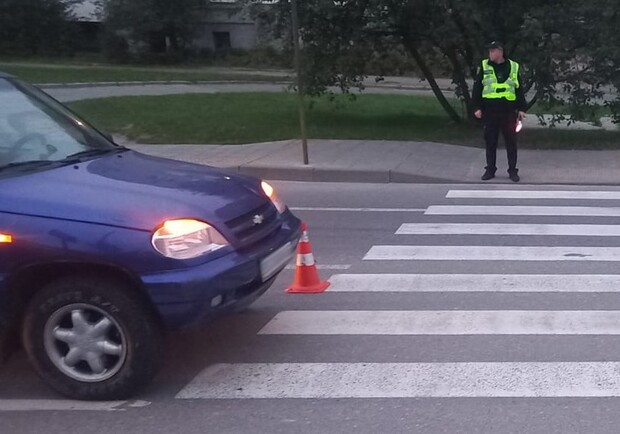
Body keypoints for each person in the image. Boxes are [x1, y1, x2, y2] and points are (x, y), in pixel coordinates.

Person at [472, 41, 527, 182]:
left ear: (500, 52)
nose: (490, 54)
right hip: (490, 110)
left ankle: (512, 171)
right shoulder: (485, 66)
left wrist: (521, 108)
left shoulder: (513, 66)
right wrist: (476, 107)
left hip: (508, 111)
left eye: (492, 51)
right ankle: (490, 169)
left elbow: (519, 89)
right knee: (490, 141)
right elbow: (477, 88)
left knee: (511, 142)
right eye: (489, 51)